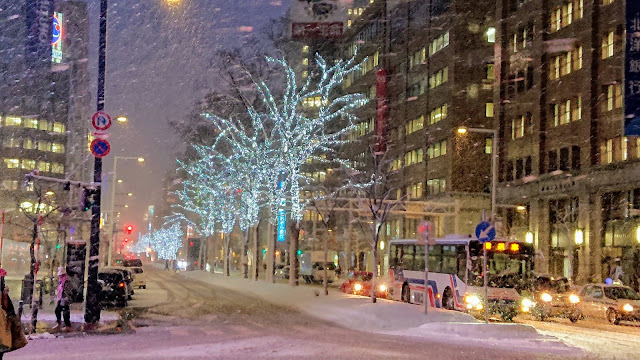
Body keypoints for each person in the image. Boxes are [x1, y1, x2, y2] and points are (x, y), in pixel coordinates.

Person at [53, 267, 72, 332]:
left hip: (64, 299)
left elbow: (68, 290)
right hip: (61, 298)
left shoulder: (66, 281)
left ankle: (67, 325)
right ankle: (62, 324)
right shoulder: (61, 281)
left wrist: (65, 297)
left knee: (64, 312)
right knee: (59, 311)